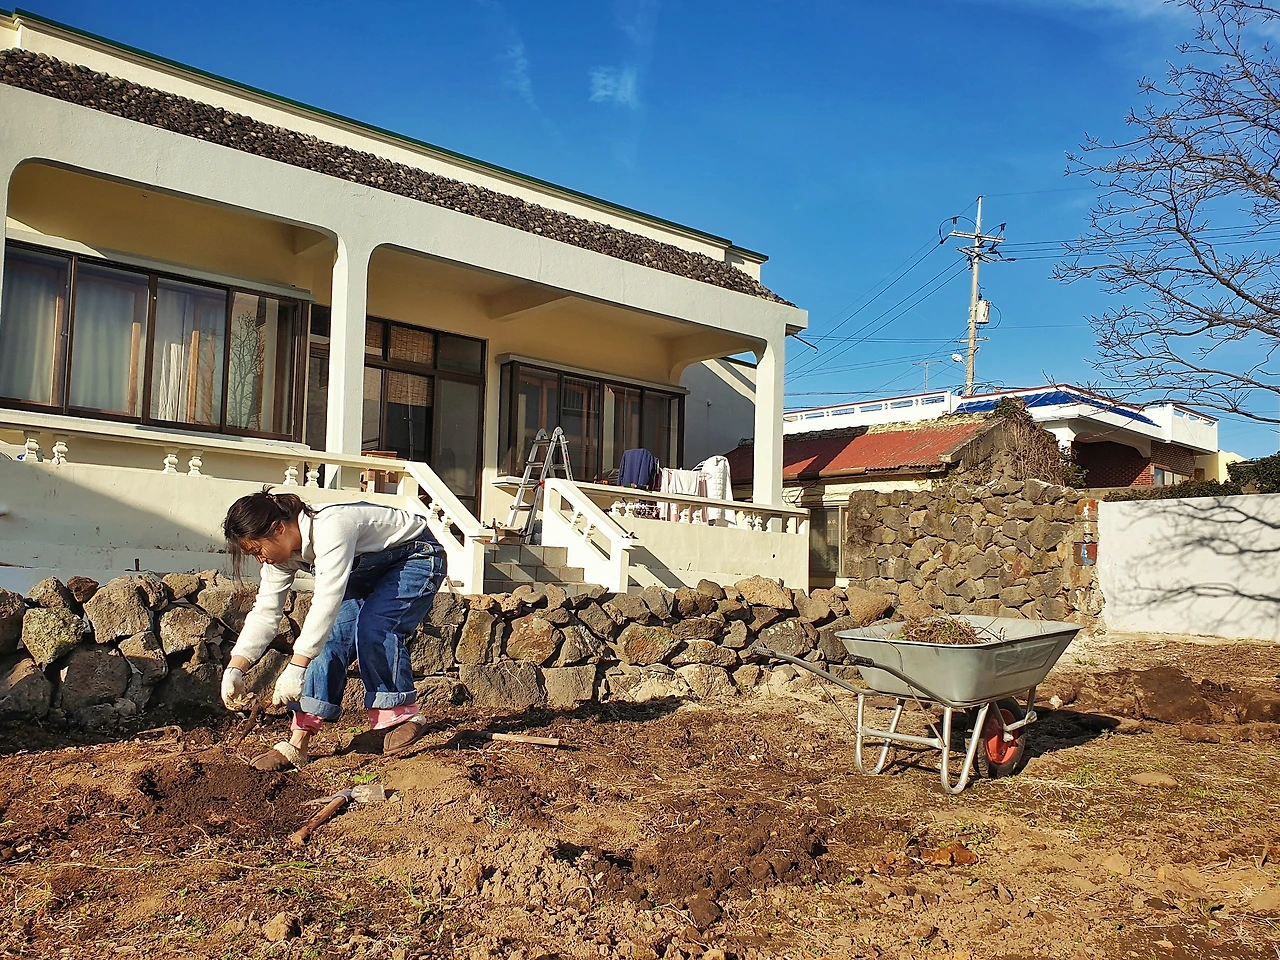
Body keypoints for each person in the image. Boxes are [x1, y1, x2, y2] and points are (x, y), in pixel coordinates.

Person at [219, 488, 445, 771]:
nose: (260, 559)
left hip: (415, 557)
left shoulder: (332, 526)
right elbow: (265, 612)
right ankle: (298, 742)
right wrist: (236, 668)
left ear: (278, 528)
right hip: (361, 572)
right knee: (327, 642)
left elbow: (327, 599)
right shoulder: (280, 557)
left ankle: (402, 714)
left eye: (257, 550)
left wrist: (297, 667)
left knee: (376, 628)